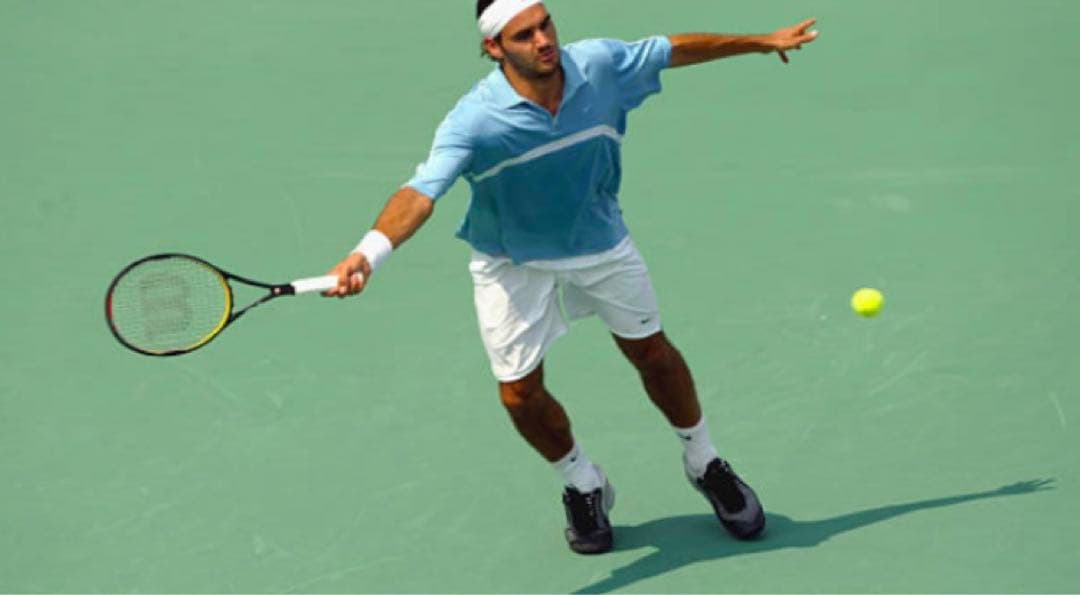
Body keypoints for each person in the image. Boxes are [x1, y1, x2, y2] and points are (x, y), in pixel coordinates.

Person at [324, 0, 819, 555]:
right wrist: (369, 252)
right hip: (511, 258)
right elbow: (420, 192)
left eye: (545, 25)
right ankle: (583, 482)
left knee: (652, 353)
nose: (543, 41)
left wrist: (759, 41)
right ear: (494, 47)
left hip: (597, 239)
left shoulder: (599, 65)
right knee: (518, 395)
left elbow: (670, 50)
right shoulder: (475, 120)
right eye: (524, 35)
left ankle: (704, 460)